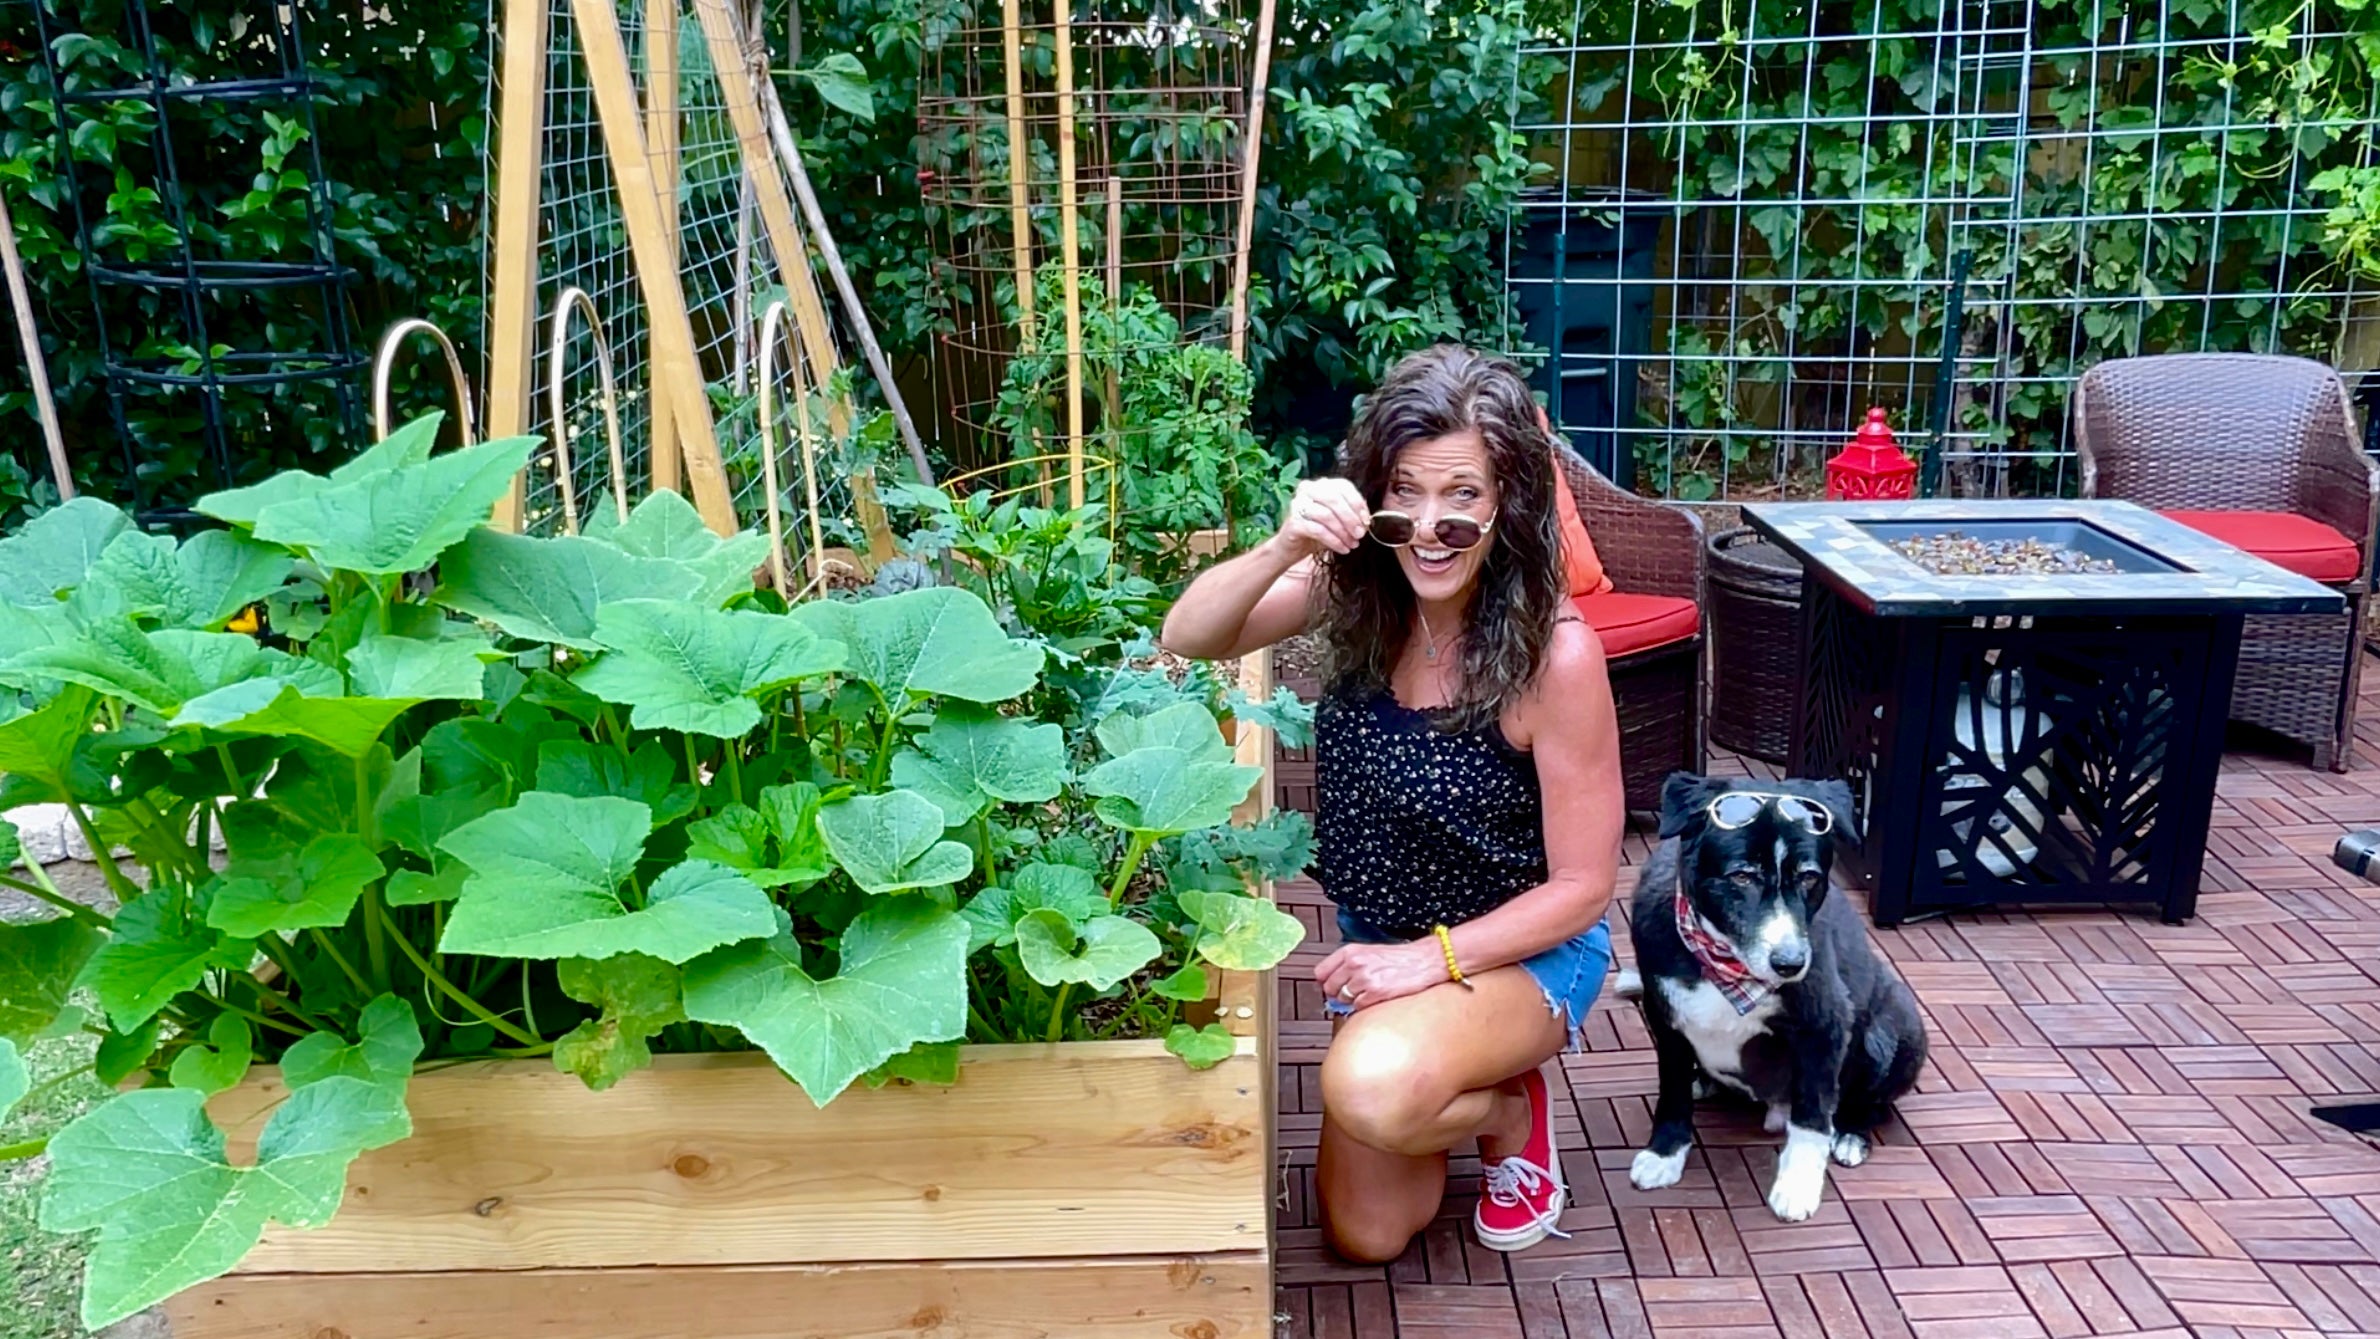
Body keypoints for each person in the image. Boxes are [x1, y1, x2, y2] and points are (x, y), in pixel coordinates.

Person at [1160, 345, 1624, 1261]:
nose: (1429, 526)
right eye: (1404, 493)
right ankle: (1472, 1091)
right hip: (1389, 946)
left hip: (1524, 952)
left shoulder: (1554, 657)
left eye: (1462, 497)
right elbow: (1191, 633)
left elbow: (1583, 888)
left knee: (1370, 1087)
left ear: (1509, 505)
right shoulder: (1355, 591)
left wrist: (1427, 963)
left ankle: (1495, 1095)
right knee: (1364, 1236)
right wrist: (1287, 542)